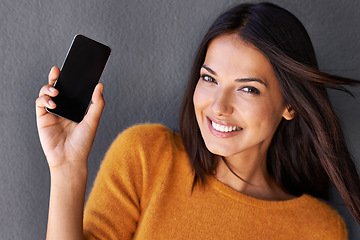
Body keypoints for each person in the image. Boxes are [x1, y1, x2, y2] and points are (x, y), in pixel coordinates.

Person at [36, 2, 360, 239]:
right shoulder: (147, 155)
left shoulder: (319, 230)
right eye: (210, 79)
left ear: (290, 104)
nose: (219, 106)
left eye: (248, 88)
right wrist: (66, 168)